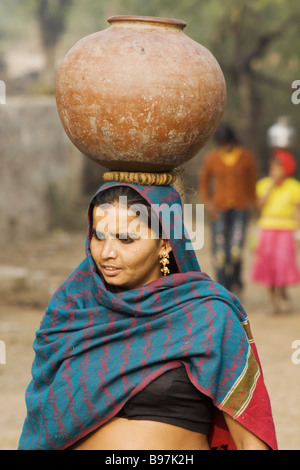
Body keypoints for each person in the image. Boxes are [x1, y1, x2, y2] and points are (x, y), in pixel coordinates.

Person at [18, 175, 277, 450]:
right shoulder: (72, 310)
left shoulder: (207, 316)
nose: (107, 252)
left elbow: (251, 441)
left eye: (126, 239)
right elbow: (45, 422)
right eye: (99, 235)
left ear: (165, 243)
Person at [199, 123, 257, 295]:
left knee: (236, 249)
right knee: (220, 251)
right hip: (219, 208)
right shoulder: (212, 158)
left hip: (240, 208)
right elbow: (204, 183)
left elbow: (251, 184)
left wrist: (253, 206)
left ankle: (236, 280)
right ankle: (223, 286)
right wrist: (208, 204)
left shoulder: (246, 157)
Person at [251, 149, 300, 314]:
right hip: (267, 229)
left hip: (286, 230)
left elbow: (297, 212)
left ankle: (284, 294)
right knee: (269, 265)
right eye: (273, 168)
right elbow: (258, 205)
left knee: (283, 264)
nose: (275, 171)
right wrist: (271, 185)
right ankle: (273, 301)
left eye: (278, 168)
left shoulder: (294, 187)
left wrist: (298, 234)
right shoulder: (264, 184)